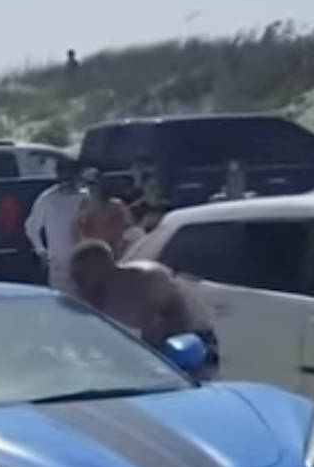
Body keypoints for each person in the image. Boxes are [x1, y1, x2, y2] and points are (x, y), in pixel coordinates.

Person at [69, 239, 219, 378]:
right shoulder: (91, 297)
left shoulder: (147, 281)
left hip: (191, 345)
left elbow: (181, 319)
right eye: (74, 277)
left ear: (102, 268)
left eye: (80, 276)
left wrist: (159, 350)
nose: (77, 283)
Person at [23, 158, 86, 297]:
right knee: (62, 301)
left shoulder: (85, 198)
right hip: (58, 263)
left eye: (71, 174)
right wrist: (41, 251)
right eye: (63, 173)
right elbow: (32, 226)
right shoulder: (48, 198)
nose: (67, 178)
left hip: (83, 260)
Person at [74, 168, 132, 257]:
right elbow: (77, 234)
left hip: (115, 254)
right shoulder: (83, 208)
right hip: (93, 255)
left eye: (93, 183)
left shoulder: (116, 205)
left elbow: (131, 227)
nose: (90, 187)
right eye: (86, 184)